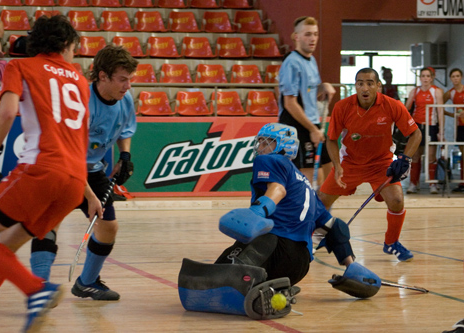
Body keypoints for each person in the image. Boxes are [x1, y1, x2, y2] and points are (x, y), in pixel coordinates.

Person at [178, 123, 382, 320]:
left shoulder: (270, 161)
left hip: (274, 246)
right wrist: (351, 266)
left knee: (220, 273)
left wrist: (259, 211)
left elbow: (278, 189)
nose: (261, 147)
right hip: (299, 266)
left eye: (268, 142)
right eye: (260, 142)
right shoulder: (305, 185)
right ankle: (271, 289)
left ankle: (236, 290)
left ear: (285, 146)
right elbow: (335, 227)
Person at [0, 15, 89, 332]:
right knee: (1, 252)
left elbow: (6, 112)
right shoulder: (79, 80)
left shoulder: (22, 67)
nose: (75, 53)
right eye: (74, 47)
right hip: (73, 183)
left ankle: (36, 289)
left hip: (42, 170)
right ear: (64, 45)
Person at [29, 45, 138, 301]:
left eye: (130, 80)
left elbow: (125, 131)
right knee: (49, 222)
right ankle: (37, 289)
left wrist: (125, 156)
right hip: (63, 166)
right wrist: (89, 196)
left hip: (92, 169)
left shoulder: (125, 100)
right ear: (102, 76)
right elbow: (70, 155)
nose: (128, 86)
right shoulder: (81, 102)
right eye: (123, 79)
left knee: (108, 227)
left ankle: (87, 283)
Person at [317, 68, 422, 262]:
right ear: (355, 86)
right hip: (350, 163)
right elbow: (331, 140)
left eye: (369, 83)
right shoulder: (342, 107)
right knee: (321, 201)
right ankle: (309, 238)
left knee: (397, 201)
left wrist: (405, 159)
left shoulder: (392, 105)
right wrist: (337, 166)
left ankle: (391, 243)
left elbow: (416, 133)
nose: (364, 88)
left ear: (378, 86)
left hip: (381, 163)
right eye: (360, 83)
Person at [278, 16, 336, 186]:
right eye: (308, 34)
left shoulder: (311, 60)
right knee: (308, 178)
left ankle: (321, 211)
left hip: (313, 123)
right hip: (298, 126)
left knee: (330, 168)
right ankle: (305, 211)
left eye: (315, 34)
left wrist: (322, 87)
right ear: (296, 36)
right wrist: (312, 129)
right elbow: (290, 103)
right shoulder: (292, 62)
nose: (312, 39)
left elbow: (308, 93)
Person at [405, 67, 445, 194]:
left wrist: (441, 131)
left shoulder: (437, 92)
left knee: (431, 155)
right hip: (417, 126)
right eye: (423, 76)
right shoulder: (415, 91)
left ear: (432, 77)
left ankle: (433, 184)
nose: (425, 78)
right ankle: (413, 183)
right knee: (416, 155)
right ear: (420, 78)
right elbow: (406, 110)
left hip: (431, 126)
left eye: (428, 76)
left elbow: (440, 112)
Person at [443, 68, 464, 193]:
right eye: (453, 76)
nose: (455, 78)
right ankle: (462, 182)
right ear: (451, 78)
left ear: (461, 77)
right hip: (460, 126)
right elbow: (439, 106)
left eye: (457, 76)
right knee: (463, 154)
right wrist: (453, 115)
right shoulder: (450, 93)